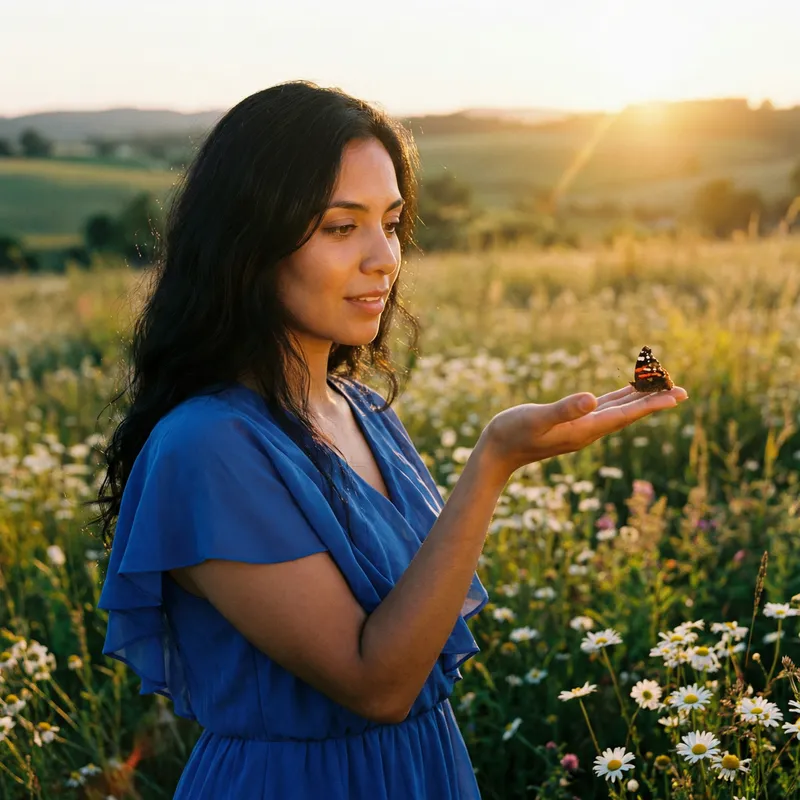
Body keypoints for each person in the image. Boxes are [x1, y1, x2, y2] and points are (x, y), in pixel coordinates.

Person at [93, 80, 689, 799]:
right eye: (341, 227)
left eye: (392, 222)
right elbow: (377, 685)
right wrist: (495, 460)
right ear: (247, 244)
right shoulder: (206, 447)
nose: (383, 258)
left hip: (423, 772)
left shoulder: (361, 409)